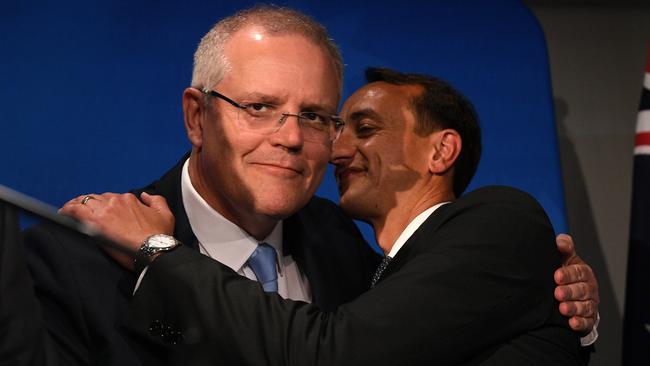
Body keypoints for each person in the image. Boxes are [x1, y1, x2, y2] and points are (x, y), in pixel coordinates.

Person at [30, 5, 596, 366]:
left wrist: (561, 311)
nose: (291, 138)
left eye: (317, 117)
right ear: (197, 119)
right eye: (260, 107)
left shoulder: (346, 249)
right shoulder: (72, 259)